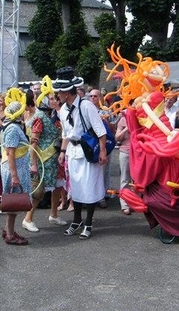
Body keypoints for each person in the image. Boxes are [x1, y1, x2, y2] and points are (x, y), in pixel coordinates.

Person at [55, 67, 107, 239]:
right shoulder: (63, 109)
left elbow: (100, 130)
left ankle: (89, 223)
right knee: (75, 188)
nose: (58, 95)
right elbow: (66, 134)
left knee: (89, 187)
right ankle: (76, 221)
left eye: (60, 92)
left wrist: (103, 152)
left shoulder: (86, 106)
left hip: (88, 150)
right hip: (73, 151)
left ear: (67, 92)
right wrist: (63, 151)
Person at [21, 90, 68, 233]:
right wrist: (34, 164)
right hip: (43, 159)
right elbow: (33, 143)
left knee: (58, 186)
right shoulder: (39, 117)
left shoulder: (52, 115)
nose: (57, 100)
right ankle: (28, 219)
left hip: (55, 158)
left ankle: (54, 214)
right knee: (39, 191)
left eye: (56, 98)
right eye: (52, 99)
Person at [0, 96, 31, 246]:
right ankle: (10, 234)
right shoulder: (12, 128)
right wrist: (14, 176)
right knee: (14, 202)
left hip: (15, 167)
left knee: (13, 201)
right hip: (14, 169)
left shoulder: (9, 125)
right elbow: (11, 152)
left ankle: (8, 230)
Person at [115, 112, 132, 215]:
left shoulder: (142, 118)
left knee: (137, 179)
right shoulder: (123, 120)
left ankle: (135, 202)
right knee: (125, 178)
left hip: (138, 152)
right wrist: (126, 128)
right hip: (125, 151)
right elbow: (117, 137)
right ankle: (125, 204)